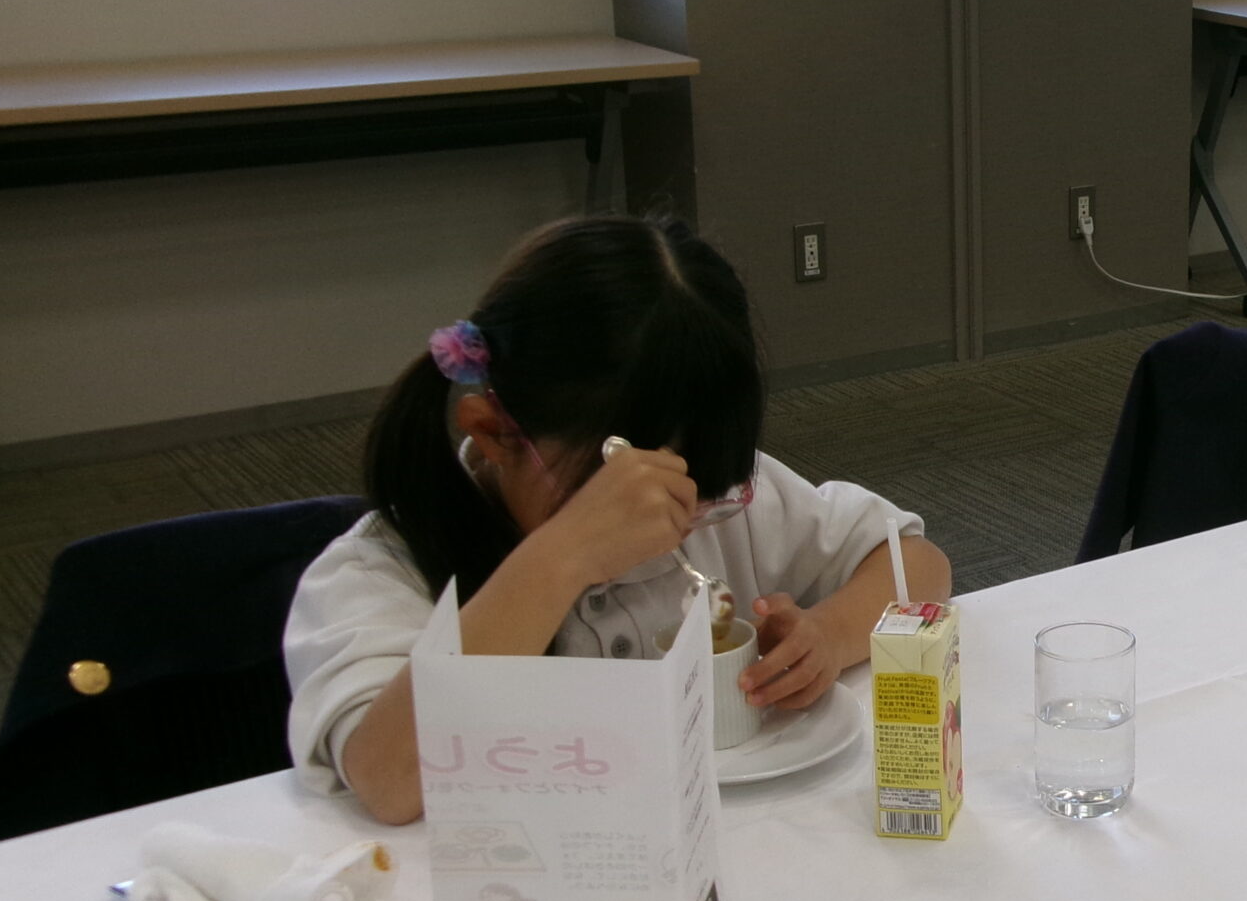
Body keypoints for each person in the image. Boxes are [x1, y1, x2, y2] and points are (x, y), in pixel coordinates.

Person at [285, 214, 950, 825]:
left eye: (695, 492)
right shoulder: (381, 570)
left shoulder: (712, 503)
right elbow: (390, 781)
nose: (667, 523)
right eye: (616, 493)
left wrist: (828, 635)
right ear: (492, 433)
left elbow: (917, 566)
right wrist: (564, 555)